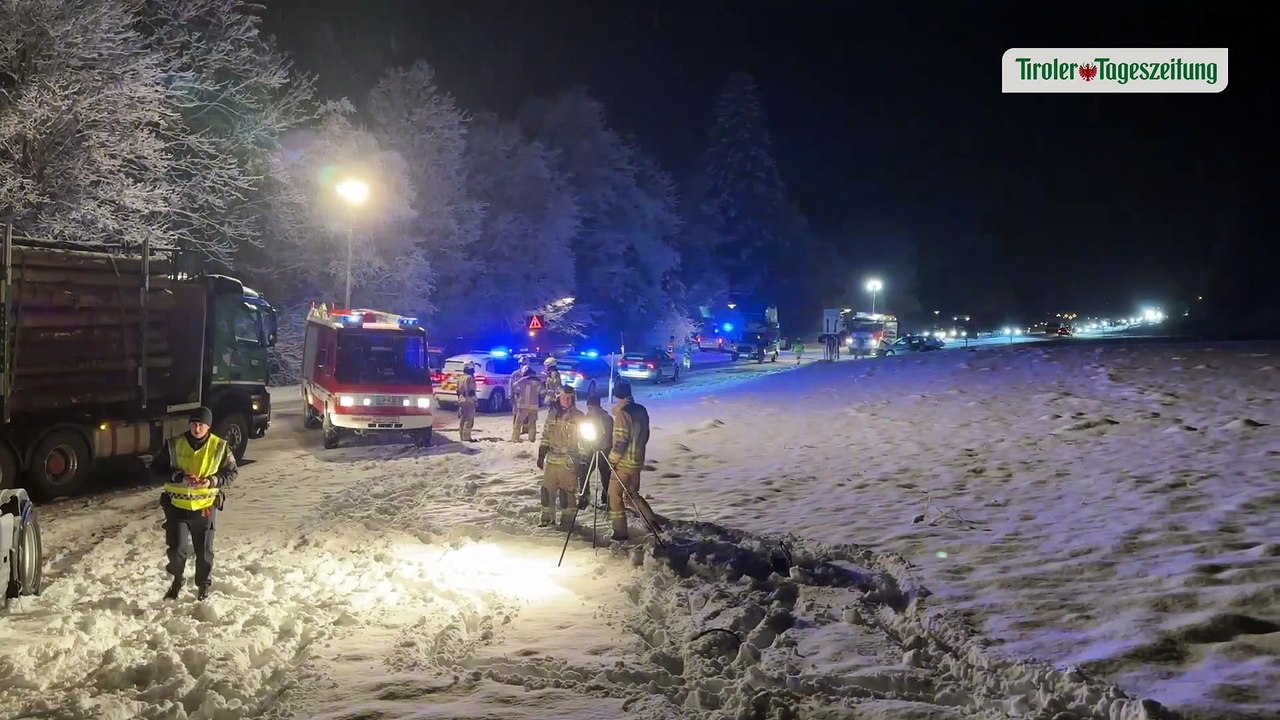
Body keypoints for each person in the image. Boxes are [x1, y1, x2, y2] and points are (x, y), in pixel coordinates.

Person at [151, 406, 238, 601]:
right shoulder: (174, 444)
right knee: (176, 549)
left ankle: (203, 586)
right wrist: (179, 476)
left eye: (201, 425)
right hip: (177, 507)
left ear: (208, 427)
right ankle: (177, 581)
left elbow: (232, 472)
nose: (197, 429)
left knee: (204, 551)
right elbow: (155, 471)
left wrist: (211, 481)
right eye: (194, 424)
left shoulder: (220, 446)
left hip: (205, 507)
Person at [606, 381, 660, 541]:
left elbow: (621, 441)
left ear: (617, 394)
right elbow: (646, 435)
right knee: (633, 495)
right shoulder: (641, 410)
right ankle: (652, 524)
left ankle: (620, 532)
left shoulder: (623, 413)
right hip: (637, 461)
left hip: (623, 464)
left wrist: (612, 459)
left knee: (614, 496)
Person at [537, 386, 586, 528]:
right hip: (552, 460)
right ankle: (547, 519)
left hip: (568, 461)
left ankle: (568, 522)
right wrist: (541, 453)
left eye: (571, 398)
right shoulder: (552, 414)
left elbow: (584, 440)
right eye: (565, 398)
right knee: (547, 491)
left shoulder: (579, 416)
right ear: (559, 399)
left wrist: (583, 460)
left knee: (568, 493)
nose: (568, 401)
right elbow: (546, 435)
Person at [582, 393, 613, 507]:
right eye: (588, 408)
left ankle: (606, 499)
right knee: (584, 473)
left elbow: (607, 436)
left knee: (605, 476)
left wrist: (601, 445)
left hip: (604, 451)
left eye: (592, 408)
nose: (590, 411)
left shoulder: (606, 418)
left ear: (598, 407)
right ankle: (585, 497)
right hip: (590, 450)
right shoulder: (586, 418)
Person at [510, 366, 544, 442]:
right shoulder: (538, 381)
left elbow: (514, 386)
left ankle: (515, 438)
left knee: (518, 423)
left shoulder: (523, 380)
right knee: (532, 423)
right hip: (534, 406)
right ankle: (532, 439)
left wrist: (517, 396)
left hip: (523, 405)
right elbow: (542, 392)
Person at [457, 361, 478, 442]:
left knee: (463, 418)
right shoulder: (470, 378)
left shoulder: (460, 377)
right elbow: (471, 391)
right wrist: (475, 400)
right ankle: (466, 438)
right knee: (469, 419)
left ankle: (462, 436)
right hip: (469, 399)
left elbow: (457, 391)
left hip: (461, 399)